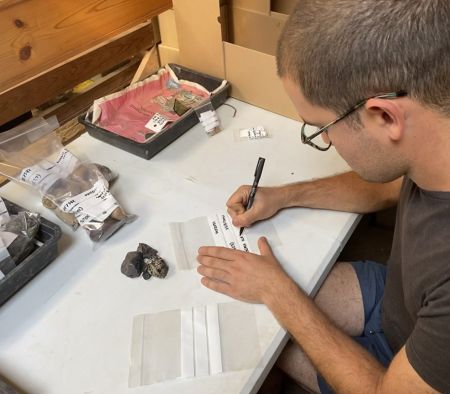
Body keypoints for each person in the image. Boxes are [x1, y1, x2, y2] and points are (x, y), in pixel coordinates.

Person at [196, 0, 450, 393]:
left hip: (399, 373)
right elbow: (389, 185)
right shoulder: (434, 138)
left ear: (384, 116)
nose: (326, 140)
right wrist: (285, 195)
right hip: (400, 300)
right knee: (239, 300)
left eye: (322, 127)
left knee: (255, 342)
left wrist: (277, 292)